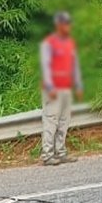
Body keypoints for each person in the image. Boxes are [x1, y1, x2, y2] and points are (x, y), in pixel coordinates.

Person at [39, 10, 84, 166]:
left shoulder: (70, 43)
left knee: (64, 121)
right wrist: (49, 86)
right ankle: (47, 154)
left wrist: (78, 84)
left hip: (66, 88)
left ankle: (61, 151)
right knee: (51, 120)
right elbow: (45, 66)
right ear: (58, 25)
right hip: (53, 89)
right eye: (65, 24)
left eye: (69, 23)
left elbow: (74, 65)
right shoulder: (49, 43)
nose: (68, 26)